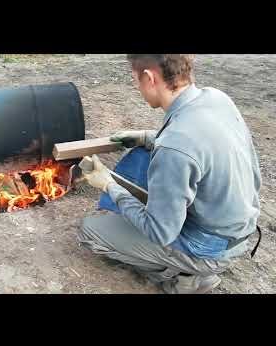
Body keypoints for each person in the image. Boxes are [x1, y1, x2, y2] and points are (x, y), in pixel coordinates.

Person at [78, 54, 262, 294]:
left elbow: (160, 232)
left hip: (209, 245)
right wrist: (147, 137)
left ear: (149, 77)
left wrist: (109, 185)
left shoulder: (174, 148)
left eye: (135, 79)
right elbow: (197, 144)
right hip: (237, 224)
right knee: (147, 155)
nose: (136, 87)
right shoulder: (216, 98)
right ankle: (193, 266)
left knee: (90, 230)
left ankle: (188, 276)